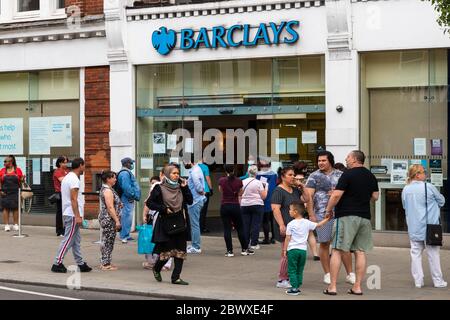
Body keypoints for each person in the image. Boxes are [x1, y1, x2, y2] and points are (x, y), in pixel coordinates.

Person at [323, 150, 379, 295]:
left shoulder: (347, 174)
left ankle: (333, 287)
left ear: (354, 159)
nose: (346, 159)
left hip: (346, 216)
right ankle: (357, 287)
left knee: (336, 250)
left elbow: (336, 195)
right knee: (360, 251)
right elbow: (375, 196)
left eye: (348, 157)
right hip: (364, 217)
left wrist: (328, 210)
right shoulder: (370, 175)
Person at [304, 151, 355, 285]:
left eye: (323, 160)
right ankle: (327, 273)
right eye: (319, 161)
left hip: (341, 213)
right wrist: (311, 214)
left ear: (330, 161)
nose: (320, 163)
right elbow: (308, 197)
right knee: (325, 243)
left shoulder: (341, 175)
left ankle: (350, 273)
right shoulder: (314, 176)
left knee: (344, 244)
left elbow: (349, 193)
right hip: (322, 215)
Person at [402, 164, 447, 288]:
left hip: (414, 226)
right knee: (433, 254)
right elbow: (442, 201)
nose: (425, 174)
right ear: (417, 175)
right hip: (430, 227)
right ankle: (438, 281)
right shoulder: (429, 187)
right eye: (423, 172)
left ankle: (418, 281)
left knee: (415, 253)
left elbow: (405, 206)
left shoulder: (406, 189)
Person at [147, 164, 193, 285]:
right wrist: (163, 208)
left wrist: (185, 188)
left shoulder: (180, 187)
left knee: (180, 251)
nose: (176, 175)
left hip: (180, 222)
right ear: (167, 174)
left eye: (178, 173)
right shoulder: (159, 188)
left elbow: (190, 201)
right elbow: (150, 203)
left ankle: (176, 277)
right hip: (165, 224)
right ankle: (156, 269)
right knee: (166, 252)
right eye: (174, 173)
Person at [271, 167, 310, 289]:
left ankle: (288, 276)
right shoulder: (278, 191)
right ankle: (282, 279)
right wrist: (282, 224)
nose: (293, 177)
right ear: (283, 177)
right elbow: (275, 209)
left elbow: (307, 199)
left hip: (297, 228)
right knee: (286, 253)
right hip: (286, 226)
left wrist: (302, 187)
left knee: (292, 253)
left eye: (293, 175)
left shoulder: (295, 190)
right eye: (290, 175)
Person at [51, 158, 92, 273]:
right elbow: (74, 199)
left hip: (69, 212)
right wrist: (78, 216)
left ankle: (80, 263)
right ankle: (57, 262)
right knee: (68, 239)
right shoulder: (74, 179)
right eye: (84, 165)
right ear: (80, 165)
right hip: (72, 214)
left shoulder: (68, 177)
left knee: (76, 240)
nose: (85, 168)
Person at [283, 202, 332, 295]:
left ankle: (294, 288)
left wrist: (284, 250)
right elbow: (318, 225)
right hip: (303, 251)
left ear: (295, 212)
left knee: (292, 269)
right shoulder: (307, 222)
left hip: (293, 250)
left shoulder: (290, 224)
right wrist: (327, 219)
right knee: (300, 269)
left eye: (290, 209)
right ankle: (298, 284)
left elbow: (287, 238)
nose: (289, 211)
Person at [218, 164, 254, 257]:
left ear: (225, 170)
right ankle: (244, 249)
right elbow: (241, 192)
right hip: (235, 205)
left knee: (227, 229)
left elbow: (220, 191)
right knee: (240, 228)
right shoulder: (238, 180)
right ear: (233, 170)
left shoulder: (221, 180)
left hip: (224, 205)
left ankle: (229, 251)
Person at [98, 170, 122, 271]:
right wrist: (117, 221)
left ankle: (105, 261)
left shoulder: (107, 189)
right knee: (108, 241)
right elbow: (110, 207)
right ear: (108, 179)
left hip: (107, 218)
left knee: (107, 240)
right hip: (109, 219)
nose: (115, 179)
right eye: (114, 177)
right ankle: (105, 264)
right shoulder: (107, 190)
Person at [294, 172, 320, 261]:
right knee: (309, 233)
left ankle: (314, 254)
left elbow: (309, 201)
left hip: (300, 213)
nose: (298, 181)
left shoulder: (299, 189)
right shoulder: (305, 188)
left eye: (300, 179)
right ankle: (315, 253)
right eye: (297, 179)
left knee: (308, 233)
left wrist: (311, 214)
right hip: (303, 212)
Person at [241, 165, 268, 250]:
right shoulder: (259, 182)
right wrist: (266, 188)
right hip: (257, 204)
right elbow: (263, 196)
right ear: (256, 173)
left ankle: (245, 243)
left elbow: (240, 193)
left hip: (245, 204)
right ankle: (254, 243)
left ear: (248, 172)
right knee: (255, 225)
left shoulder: (243, 182)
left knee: (246, 225)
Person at [118, 157, 141, 244]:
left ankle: (126, 235)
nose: (132, 165)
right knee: (126, 217)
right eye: (131, 163)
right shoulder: (125, 174)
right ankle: (124, 236)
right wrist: (133, 195)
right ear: (127, 164)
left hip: (127, 198)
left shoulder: (126, 172)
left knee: (127, 216)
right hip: (127, 198)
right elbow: (126, 187)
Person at [185, 160, 206, 254]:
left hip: (195, 201)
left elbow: (198, 186)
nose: (184, 163)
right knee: (195, 224)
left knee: (194, 224)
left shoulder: (194, 171)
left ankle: (196, 246)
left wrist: (201, 191)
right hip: (197, 199)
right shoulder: (197, 169)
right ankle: (194, 245)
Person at [256, 158, 278, 245]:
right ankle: (273, 237)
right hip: (274, 198)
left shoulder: (259, 175)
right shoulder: (274, 174)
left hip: (264, 198)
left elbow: (259, 186)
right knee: (273, 219)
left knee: (265, 220)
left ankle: (266, 239)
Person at [0, 155, 24, 232]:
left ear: (11, 162)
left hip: (15, 192)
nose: (4, 163)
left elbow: (21, 182)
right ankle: (6, 225)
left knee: (15, 208)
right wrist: (0, 190)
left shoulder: (18, 170)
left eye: (5, 161)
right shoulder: (2, 170)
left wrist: (22, 179)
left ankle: (15, 225)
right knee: (5, 208)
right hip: (5, 192)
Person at [53, 156, 69, 236]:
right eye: (64, 162)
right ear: (59, 163)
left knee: (67, 211)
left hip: (67, 193)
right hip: (60, 193)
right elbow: (62, 180)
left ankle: (66, 229)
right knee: (60, 212)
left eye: (66, 162)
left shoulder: (67, 171)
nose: (66, 164)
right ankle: (59, 230)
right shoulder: (58, 171)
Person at [198, 159, 213, 234]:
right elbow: (207, 178)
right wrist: (211, 188)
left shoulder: (193, 167)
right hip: (205, 190)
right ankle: (202, 227)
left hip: (195, 190)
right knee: (203, 210)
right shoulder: (205, 167)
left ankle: (196, 227)